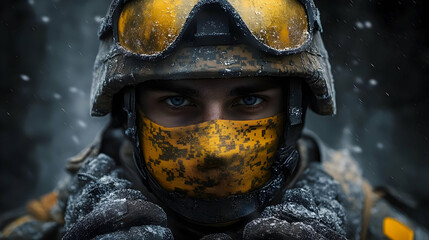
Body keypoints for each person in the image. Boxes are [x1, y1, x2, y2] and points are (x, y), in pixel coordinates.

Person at [1, 0, 428, 239]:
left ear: (293, 112)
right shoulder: (48, 227)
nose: (215, 147)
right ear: (129, 114)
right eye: (176, 101)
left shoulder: (370, 222)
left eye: (248, 101)